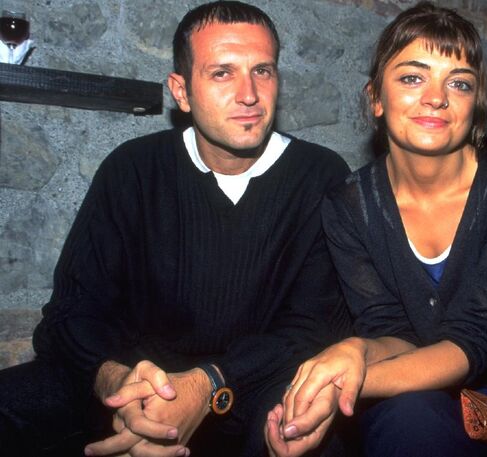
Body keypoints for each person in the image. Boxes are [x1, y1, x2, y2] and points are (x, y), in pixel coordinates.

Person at [0, 2, 351, 456]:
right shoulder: (133, 169)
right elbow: (71, 312)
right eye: (222, 73)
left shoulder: (320, 176)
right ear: (181, 92)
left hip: (250, 391)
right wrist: (117, 384)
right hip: (134, 387)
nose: (249, 94)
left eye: (262, 71)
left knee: (313, 437)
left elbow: (314, 328)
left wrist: (207, 384)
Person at [265, 2, 487, 456]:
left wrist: (344, 385)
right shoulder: (348, 205)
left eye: (459, 83)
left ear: (474, 106)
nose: (436, 97)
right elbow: (390, 329)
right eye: (413, 78)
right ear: (376, 97)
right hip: (402, 397)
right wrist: (356, 350)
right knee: (404, 416)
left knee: (407, 418)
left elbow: (474, 340)